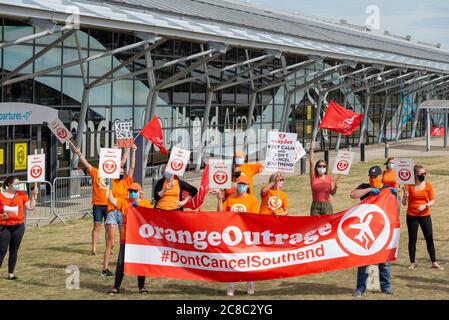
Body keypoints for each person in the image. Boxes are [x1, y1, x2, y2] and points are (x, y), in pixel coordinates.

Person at [72, 144, 136, 277]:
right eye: (119, 170)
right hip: (111, 212)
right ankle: (104, 268)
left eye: (122, 170)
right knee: (111, 243)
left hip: (123, 213)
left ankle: (125, 267)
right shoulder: (109, 178)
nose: (121, 171)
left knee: (125, 243)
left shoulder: (127, 181)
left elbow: (129, 166)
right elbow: (106, 164)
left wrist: (131, 150)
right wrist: (79, 154)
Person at [350, 165, 397, 297]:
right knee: (363, 261)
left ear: (381, 176)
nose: (372, 179)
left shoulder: (387, 189)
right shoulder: (365, 187)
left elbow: (394, 209)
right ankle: (360, 288)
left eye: (374, 176)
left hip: (382, 230)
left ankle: (386, 286)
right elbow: (352, 194)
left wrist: (395, 196)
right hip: (367, 231)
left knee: (384, 260)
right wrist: (369, 189)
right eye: (370, 176)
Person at [217, 175, 259, 296]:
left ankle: (250, 285)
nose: (241, 187)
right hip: (232, 236)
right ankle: (231, 286)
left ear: (248, 186)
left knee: (248, 261)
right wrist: (220, 199)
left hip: (246, 235)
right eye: (240, 184)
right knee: (232, 261)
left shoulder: (252, 200)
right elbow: (221, 213)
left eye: (243, 184)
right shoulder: (230, 198)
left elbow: (255, 218)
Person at [107, 182, 152, 295]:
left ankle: (141, 287)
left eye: (134, 191)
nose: (132, 193)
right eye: (130, 191)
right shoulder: (124, 201)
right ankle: (116, 287)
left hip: (140, 240)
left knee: (140, 262)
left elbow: (151, 219)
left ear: (139, 192)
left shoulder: (145, 203)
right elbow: (112, 200)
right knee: (121, 263)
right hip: (126, 238)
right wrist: (109, 188)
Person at [402, 165, 442, 270]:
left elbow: (432, 200)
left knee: (429, 238)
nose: (423, 175)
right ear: (415, 175)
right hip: (412, 215)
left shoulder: (428, 185)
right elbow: (403, 203)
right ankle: (412, 262)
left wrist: (425, 205)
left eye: (425, 174)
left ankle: (434, 262)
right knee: (412, 239)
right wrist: (405, 196)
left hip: (425, 215)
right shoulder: (408, 185)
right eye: (421, 174)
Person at [0, 176, 38, 280]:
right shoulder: (0, 195)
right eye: (16, 183)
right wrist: (2, 216)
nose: (18, 185)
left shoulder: (22, 194)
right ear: (8, 184)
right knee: (2, 250)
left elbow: (31, 207)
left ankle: (11, 274)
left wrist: (34, 196)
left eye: (19, 183)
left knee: (14, 250)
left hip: (18, 227)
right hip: (4, 227)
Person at [309, 143, 337, 216]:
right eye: (320, 166)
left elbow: (333, 193)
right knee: (315, 225)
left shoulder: (329, 178)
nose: (322, 167)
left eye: (323, 166)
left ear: (326, 167)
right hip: (315, 206)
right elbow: (311, 163)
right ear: (316, 167)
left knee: (327, 224)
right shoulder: (313, 177)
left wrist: (336, 187)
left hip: (327, 205)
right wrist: (311, 149)